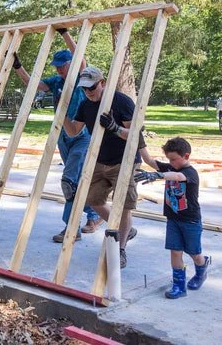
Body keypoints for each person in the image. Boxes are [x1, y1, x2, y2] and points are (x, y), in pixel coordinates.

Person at [12, 29, 103, 243]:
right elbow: (34, 84)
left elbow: (81, 59)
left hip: (81, 135)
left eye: (62, 65)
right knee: (77, 179)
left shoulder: (80, 78)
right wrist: (18, 67)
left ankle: (72, 228)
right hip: (63, 136)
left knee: (69, 181)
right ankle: (94, 214)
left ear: (71, 64)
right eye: (57, 66)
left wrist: (65, 34)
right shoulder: (56, 81)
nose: (59, 69)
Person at [63, 66, 140, 268]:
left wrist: (115, 128)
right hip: (100, 160)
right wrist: (61, 114)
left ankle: (120, 249)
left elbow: (135, 134)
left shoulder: (121, 101)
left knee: (123, 206)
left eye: (92, 87)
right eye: (84, 88)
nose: (88, 92)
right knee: (93, 200)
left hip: (124, 160)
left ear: (103, 83)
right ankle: (125, 230)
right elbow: (73, 131)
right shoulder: (85, 105)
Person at [136, 137, 210, 299]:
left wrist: (158, 175)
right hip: (173, 219)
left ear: (186, 156)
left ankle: (202, 267)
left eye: (174, 159)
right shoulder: (171, 167)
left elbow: (177, 177)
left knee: (194, 253)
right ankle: (179, 286)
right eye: (169, 159)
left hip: (190, 221)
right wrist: (139, 139)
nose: (171, 163)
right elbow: (149, 160)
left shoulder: (190, 173)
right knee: (175, 252)